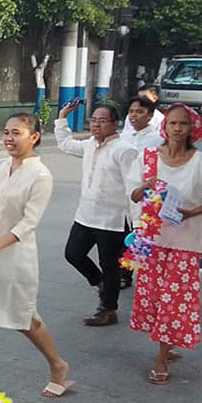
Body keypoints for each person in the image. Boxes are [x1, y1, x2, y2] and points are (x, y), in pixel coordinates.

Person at [0, 114, 73, 399]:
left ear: (34, 137)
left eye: (17, 133)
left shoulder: (40, 176)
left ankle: (57, 365)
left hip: (13, 257)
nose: (9, 138)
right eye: (6, 132)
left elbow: (28, 223)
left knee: (25, 319)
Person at [128, 103, 202, 385]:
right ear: (165, 126)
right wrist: (145, 187)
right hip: (152, 239)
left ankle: (161, 358)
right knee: (155, 297)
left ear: (191, 128)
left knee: (175, 301)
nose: (177, 129)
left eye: (183, 124)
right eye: (172, 123)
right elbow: (134, 196)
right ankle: (166, 344)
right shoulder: (147, 159)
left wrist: (189, 213)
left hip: (186, 241)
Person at [56, 100, 139, 324]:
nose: (96, 125)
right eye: (93, 120)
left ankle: (108, 309)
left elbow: (134, 188)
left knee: (110, 264)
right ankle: (100, 283)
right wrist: (63, 115)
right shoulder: (89, 145)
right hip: (86, 215)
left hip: (112, 219)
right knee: (73, 253)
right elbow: (64, 144)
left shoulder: (124, 151)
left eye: (102, 121)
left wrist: (138, 223)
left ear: (115, 124)